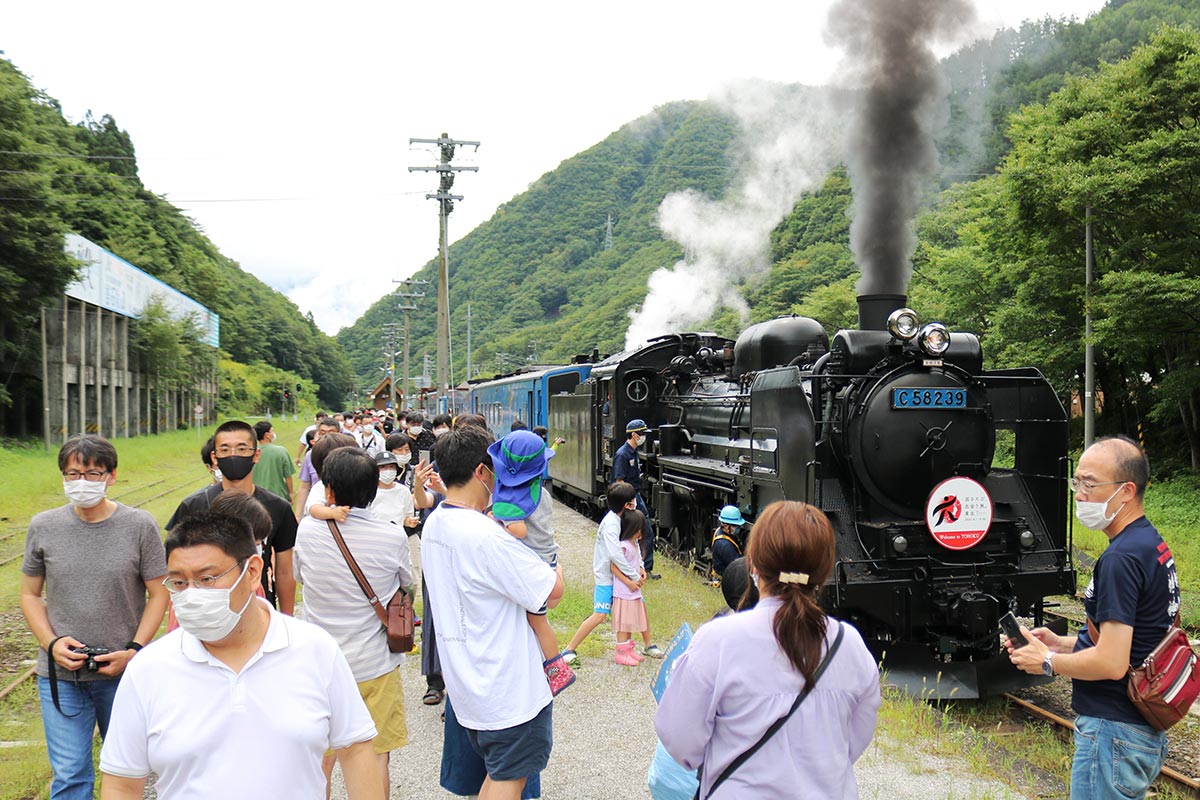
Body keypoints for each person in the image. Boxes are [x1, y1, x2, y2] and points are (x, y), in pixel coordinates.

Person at [98, 511, 384, 800]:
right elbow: (121, 782)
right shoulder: (149, 670)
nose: (192, 595)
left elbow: (356, 750)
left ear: (252, 572)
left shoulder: (315, 650)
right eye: (180, 583)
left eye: (207, 578)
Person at [655, 501, 880, 799]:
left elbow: (680, 741)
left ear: (753, 566)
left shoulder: (717, 640)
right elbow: (853, 742)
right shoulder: (849, 645)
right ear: (824, 572)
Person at [1007, 435, 1174, 800]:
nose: (1079, 494)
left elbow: (1113, 663)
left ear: (1127, 491)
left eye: (1090, 484)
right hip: (1137, 730)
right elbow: (1136, 639)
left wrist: (1048, 661)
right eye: (1076, 482)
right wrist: (1063, 643)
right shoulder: (1151, 544)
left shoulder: (1120, 560)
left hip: (1113, 731)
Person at [19, 435, 169, 800]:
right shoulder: (43, 526)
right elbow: (29, 594)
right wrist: (51, 644)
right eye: (72, 474)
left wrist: (133, 650)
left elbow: (160, 592)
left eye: (91, 473)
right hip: (60, 676)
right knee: (70, 774)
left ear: (111, 476)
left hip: (122, 674)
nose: (81, 483)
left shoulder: (139, 525)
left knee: (129, 769)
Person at [421, 425, 565, 800]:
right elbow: (551, 592)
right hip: (507, 692)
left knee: (495, 776)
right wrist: (556, 563)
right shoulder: (487, 537)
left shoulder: (436, 522)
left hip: (468, 685)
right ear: (483, 472)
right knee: (509, 777)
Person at [295, 448, 413, 797]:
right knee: (373, 759)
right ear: (374, 489)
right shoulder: (391, 535)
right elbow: (404, 583)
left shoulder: (308, 531)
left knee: (319, 762)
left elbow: (301, 576)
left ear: (328, 490)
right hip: (374, 664)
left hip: (320, 666)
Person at [167, 420, 298, 615]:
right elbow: (174, 568)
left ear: (256, 455)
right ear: (214, 457)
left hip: (258, 609)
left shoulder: (278, 507)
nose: (233, 456)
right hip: (205, 611)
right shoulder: (193, 505)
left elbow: (285, 571)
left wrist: (287, 620)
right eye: (225, 450)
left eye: (242, 449)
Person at [487, 429, 575, 693]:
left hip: (533, 569)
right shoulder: (541, 492)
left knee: (538, 622)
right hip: (548, 559)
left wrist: (493, 523)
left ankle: (557, 669)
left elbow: (519, 531)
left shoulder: (512, 499)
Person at [562, 482, 660, 665]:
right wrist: (633, 576)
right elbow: (615, 554)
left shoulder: (624, 517)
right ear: (626, 504)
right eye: (632, 500)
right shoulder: (611, 524)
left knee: (640, 606)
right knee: (600, 614)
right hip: (607, 576)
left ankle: (648, 645)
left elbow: (634, 543)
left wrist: (641, 567)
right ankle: (569, 648)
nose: (635, 503)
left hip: (623, 577)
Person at [612, 418, 659, 578]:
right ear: (633, 435)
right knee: (643, 531)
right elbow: (619, 481)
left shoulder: (633, 453)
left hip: (635, 495)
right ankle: (644, 568)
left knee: (645, 531)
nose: (643, 437)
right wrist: (630, 502)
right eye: (642, 434)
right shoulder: (622, 454)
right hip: (630, 497)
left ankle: (645, 567)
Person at [612, 510, 656, 665]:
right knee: (623, 622)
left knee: (629, 620)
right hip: (624, 590)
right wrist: (629, 582)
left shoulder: (634, 545)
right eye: (639, 530)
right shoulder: (623, 546)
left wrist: (642, 570)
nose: (641, 533)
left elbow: (637, 561)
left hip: (633, 591)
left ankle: (629, 650)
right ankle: (621, 653)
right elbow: (614, 567)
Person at [367, 450, 419, 534]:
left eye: (391, 466)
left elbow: (406, 518)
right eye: (383, 467)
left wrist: (410, 522)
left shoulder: (404, 491)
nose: (388, 470)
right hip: (375, 535)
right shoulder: (368, 491)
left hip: (397, 535)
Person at [252, 420, 295, 503]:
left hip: (257, 496)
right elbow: (288, 476)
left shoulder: (252, 453)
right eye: (272, 431)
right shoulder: (281, 451)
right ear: (267, 435)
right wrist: (290, 493)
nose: (274, 433)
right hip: (278, 495)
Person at [711, 505, 747, 579]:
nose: (738, 528)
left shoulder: (720, 531)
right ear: (726, 525)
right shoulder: (725, 545)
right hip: (725, 581)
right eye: (735, 525)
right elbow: (739, 567)